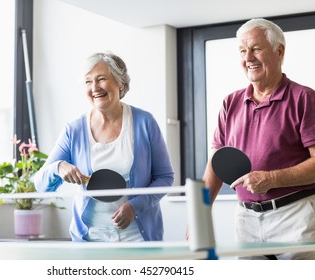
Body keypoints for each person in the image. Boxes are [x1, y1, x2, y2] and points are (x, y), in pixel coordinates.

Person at [203, 18, 315, 259]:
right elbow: (215, 164)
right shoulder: (229, 103)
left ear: (279, 51)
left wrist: (271, 178)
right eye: (242, 51)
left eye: (256, 48)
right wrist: (200, 219)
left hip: (295, 216)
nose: (248, 58)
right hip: (245, 219)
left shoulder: (305, 98)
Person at [34, 52, 174, 242]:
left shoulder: (144, 122)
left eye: (101, 79)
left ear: (120, 83)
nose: (94, 88)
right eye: (88, 82)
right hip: (90, 238)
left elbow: (164, 177)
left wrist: (134, 207)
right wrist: (58, 167)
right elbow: (40, 184)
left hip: (137, 237)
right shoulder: (73, 130)